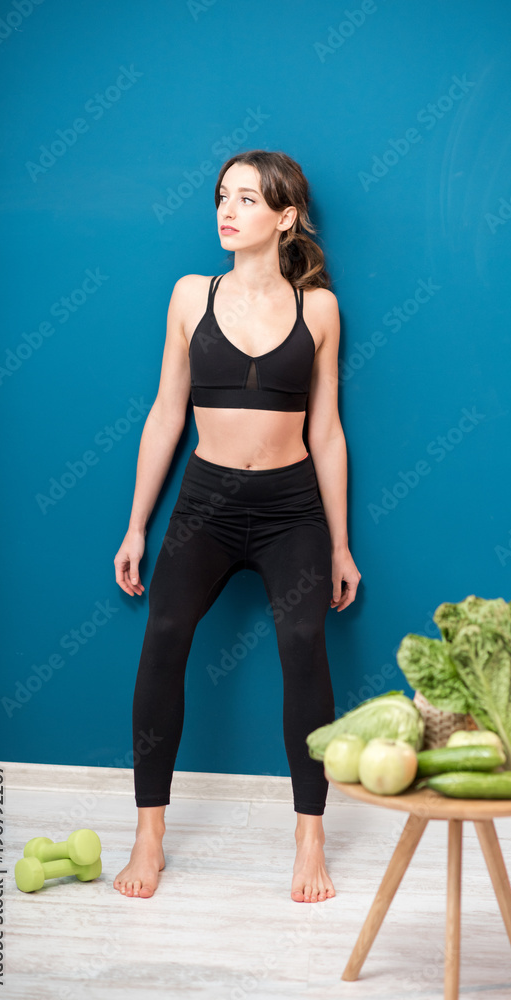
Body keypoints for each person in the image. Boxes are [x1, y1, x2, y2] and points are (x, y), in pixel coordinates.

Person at [112, 149, 361, 902]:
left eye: (247, 199)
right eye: (223, 196)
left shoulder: (319, 307)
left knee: (302, 642)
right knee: (162, 640)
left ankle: (308, 837)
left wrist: (341, 543)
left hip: (291, 511)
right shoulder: (190, 295)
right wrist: (135, 527)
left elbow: (326, 431)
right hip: (206, 505)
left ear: (284, 217)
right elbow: (165, 415)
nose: (227, 210)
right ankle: (148, 833)